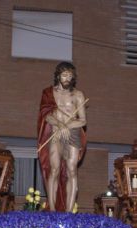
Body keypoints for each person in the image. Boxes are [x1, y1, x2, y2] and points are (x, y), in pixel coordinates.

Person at [37, 61, 87, 212]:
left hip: (72, 134)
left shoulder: (78, 95)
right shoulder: (48, 93)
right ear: (58, 76)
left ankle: (69, 213)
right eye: (64, 75)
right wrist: (61, 125)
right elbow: (46, 115)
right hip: (56, 133)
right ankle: (52, 210)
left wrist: (68, 126)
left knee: (72, 170)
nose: (67, 78)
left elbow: (83, 120)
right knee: (54, 169)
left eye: (70, 76)